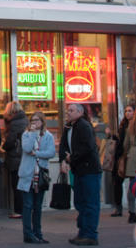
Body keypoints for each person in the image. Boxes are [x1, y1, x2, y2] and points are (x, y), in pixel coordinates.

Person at [59, 102, 101, 246]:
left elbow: (89, 147)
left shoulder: (83, 126)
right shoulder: (68, 127)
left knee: (90, 203)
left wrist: (72, 158)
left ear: (80, 112)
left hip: (89, 170)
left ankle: (90, 234)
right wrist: (63, 160)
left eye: (71, 110)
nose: (68, 112)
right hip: (78, 170)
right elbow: (63, 146)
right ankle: (83, 232)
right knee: (80, 203)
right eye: (68, 110)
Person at [17, 110, 56, 245]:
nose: (34, 123)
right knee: (28, 205)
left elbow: (51, 152)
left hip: (40, 175)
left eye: (37, 120)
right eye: (32, 121)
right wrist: (33, 134)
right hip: (27, 174)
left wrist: (37, 153)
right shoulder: (26, 134)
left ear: (42, 121)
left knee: (38, 206)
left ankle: (38, 233)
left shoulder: (48, 136)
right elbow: (27, 149)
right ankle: (28, 234)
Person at [1, 101, 27, 219]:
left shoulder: (14, 123)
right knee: (23, 185)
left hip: (16, 157)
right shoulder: (25, 120)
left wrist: (4, 146)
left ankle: (19, 210)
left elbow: (10, 142)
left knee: (16, 185)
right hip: (24, 156)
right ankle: (26, 208)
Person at [108, 103, 133, 217]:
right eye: (126, 111)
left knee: (133, 183)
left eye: (130, 111)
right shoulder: (122, 125)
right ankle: (118, 207)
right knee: (117, 182)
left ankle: (131, 209)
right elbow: (119, 141)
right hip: (120, 157)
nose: (128, 113)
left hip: (130, 156)